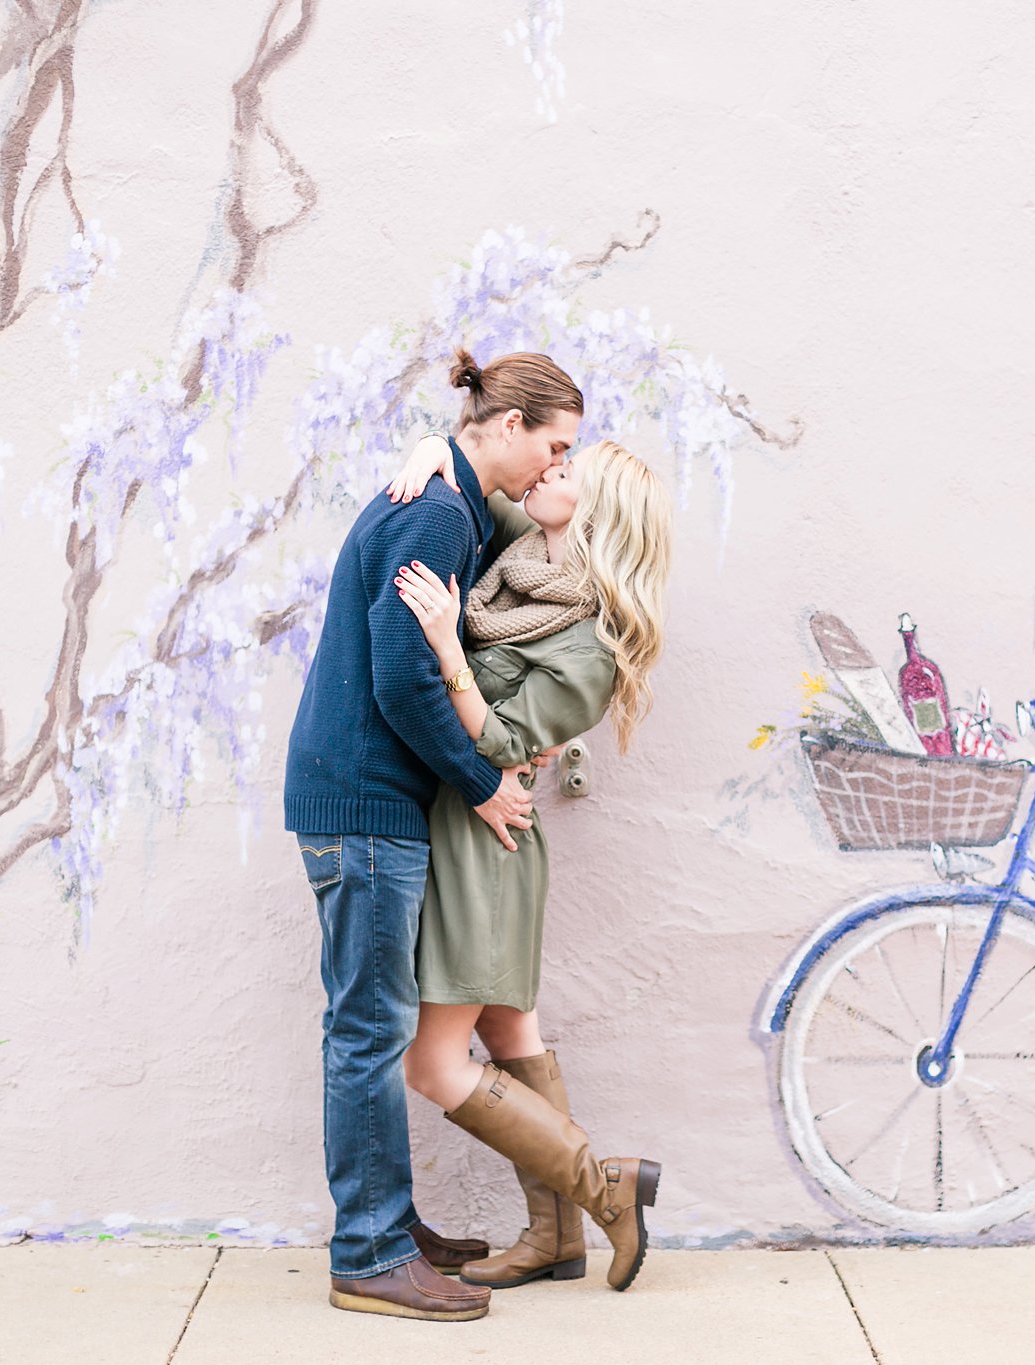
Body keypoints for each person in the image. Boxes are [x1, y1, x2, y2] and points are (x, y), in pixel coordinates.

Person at [283, 350, 581, 1323]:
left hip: (363, 803)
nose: (554, 465)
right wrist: (484, 783)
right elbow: (404, 681)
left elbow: (512, 520)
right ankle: (367, 1254)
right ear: (506, 427)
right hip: (366, 806)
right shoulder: (437, 511)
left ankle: (389, 1228)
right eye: (552, 443)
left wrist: (437, 447)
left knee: (367, 1027)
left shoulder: (448, 496)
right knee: (368, 1034)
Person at [386, 436, 673, 1292]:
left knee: (434, 1064)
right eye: (552, 462)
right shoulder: (521, 564)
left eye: (567, 475)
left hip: (487, 840)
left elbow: (506, 741)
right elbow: (484, 471)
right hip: (473, 826)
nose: (548, 472)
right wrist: (432, 444)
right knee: (509, 1034)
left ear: (595, 518)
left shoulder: (586, 646)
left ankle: (603, 1187)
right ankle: (552, 1238)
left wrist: (444, 648)